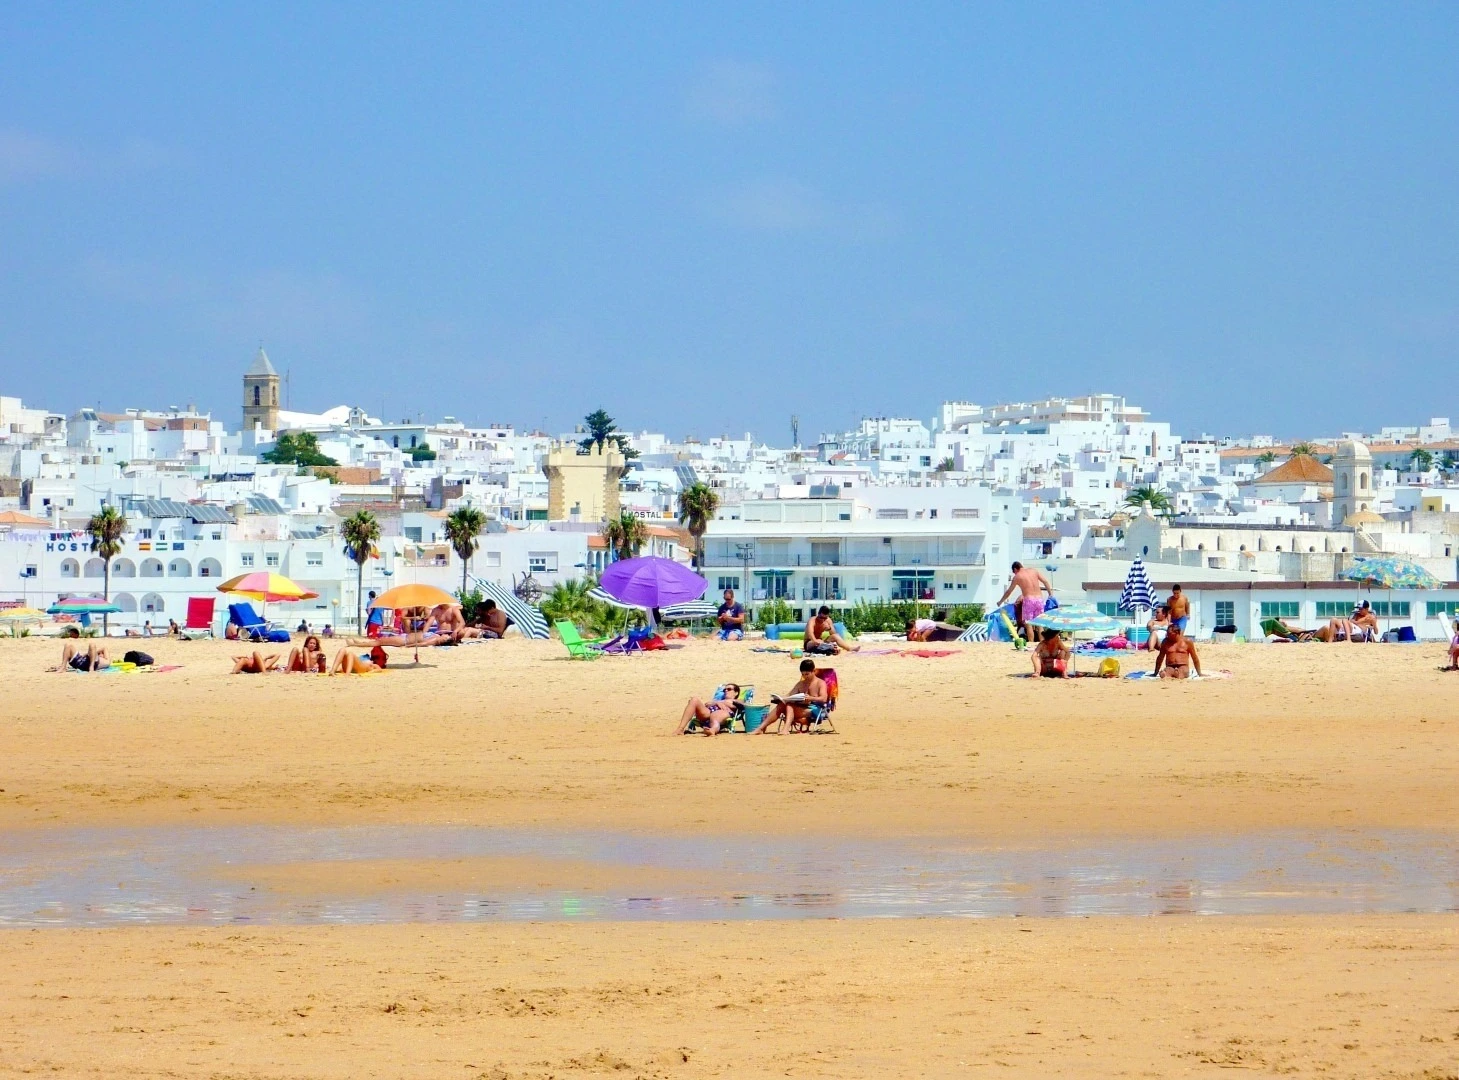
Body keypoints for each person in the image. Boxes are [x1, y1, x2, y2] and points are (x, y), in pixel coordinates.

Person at [755, 659, 828, 735]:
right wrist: (780, 698)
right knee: (782, 705)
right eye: (803, 674)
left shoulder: (820, 683)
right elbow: (789, 695)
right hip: (801, 708)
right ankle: (760, 728)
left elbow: (823, 698)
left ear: (813, 671)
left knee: (789, 706)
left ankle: (785, 729)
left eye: (807, 674)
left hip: (814, 709)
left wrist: (811, 698)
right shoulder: (801, 684)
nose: (805, 677)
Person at [995, 562, 1055, 642]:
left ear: (1015, 569)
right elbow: (1045, 582)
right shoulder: (1034, 571)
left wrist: (1000, 601)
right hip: (1039, 599)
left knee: (1028, 624)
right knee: (1040, 624)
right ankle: (1042, 643)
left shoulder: (1017, 576)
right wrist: (1050, 594)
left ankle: (1031, 643)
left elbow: (1009, 592)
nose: (1014, 573)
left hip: (1029, 600)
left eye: (1014, 572)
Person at [674, 682, 742, 735]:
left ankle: (712, 730)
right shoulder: (718, 700)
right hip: (708, 712)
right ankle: (680, 729)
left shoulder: (737, 700)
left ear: (736, 693)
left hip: (723, 712)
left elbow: (741, 706)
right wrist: (717, 703)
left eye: (729, 689)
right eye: (724, 690)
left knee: (715, 716)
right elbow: (707, 704)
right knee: (694, 700)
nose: (726, 691)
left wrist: (724, 703)